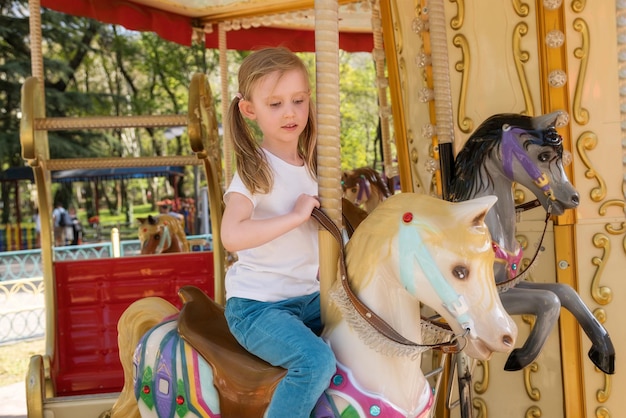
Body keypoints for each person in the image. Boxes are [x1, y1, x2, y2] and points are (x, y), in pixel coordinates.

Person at [220, 47, 335, 418]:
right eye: (275, 104)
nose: (290, 112)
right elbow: (232, 236)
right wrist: (296, 216)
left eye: (298, 100)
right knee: (314, 363)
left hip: (308, 298)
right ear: (250, 110)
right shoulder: (255, 170)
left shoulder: (315, 166)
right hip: (258, 307)